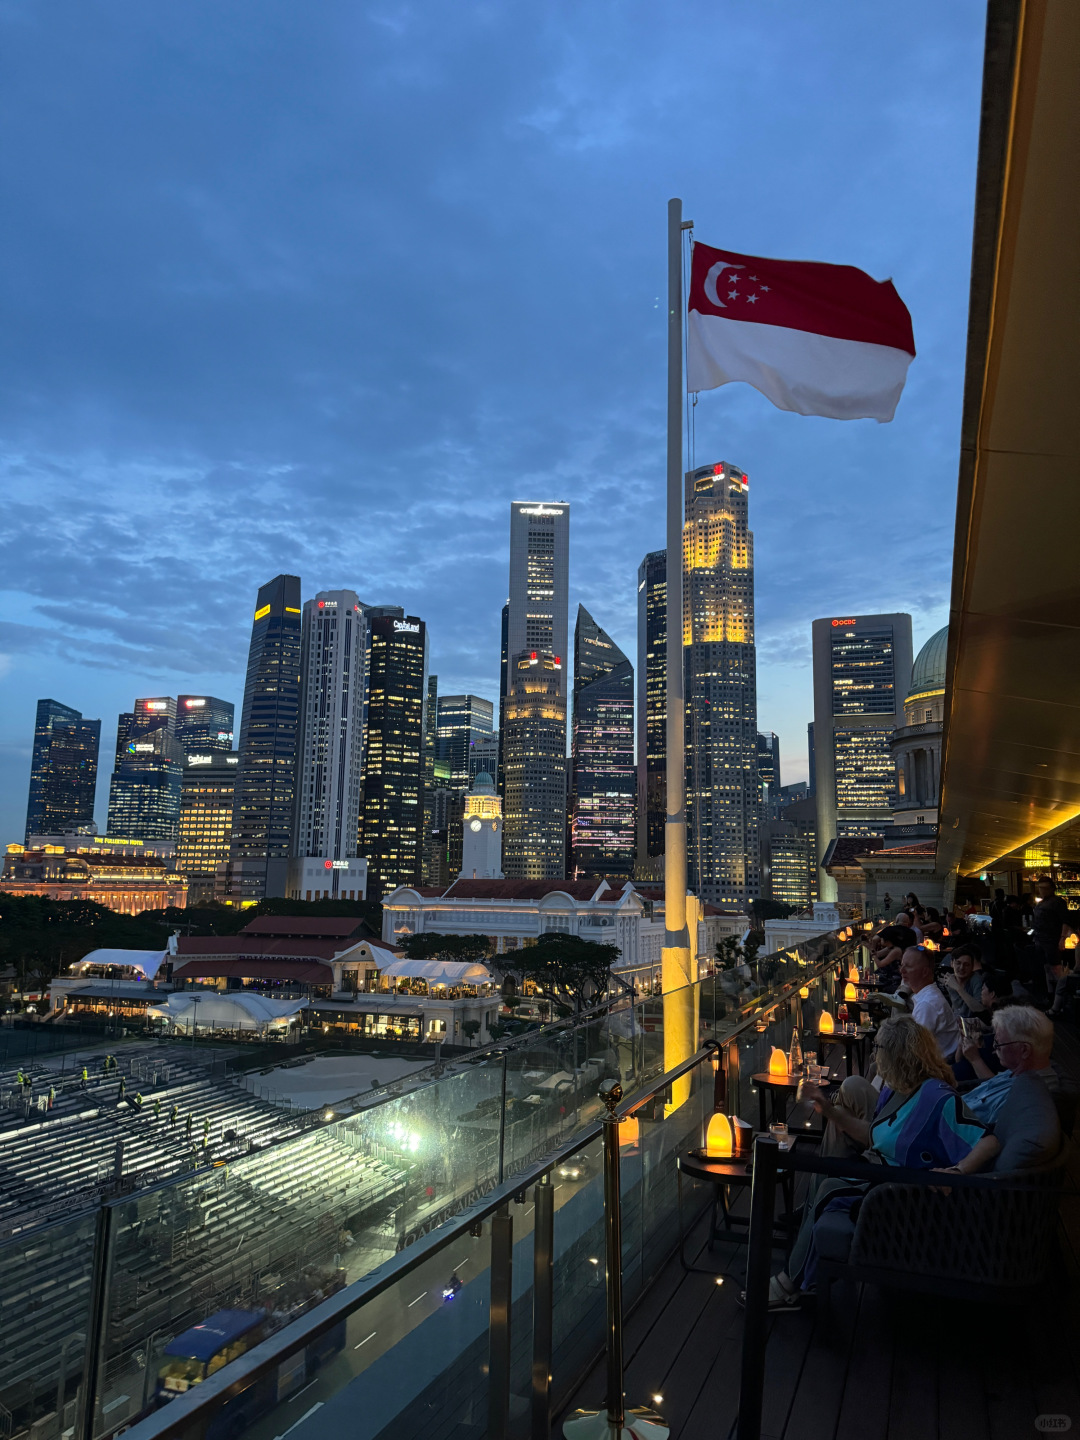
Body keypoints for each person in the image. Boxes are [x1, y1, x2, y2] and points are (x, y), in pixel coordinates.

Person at [759, 1016, 998, 1309]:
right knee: (821, 1179)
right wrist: (829, 1110)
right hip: (877, 1172)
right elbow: (872, 1135)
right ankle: (806, 1273)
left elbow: (988, 1141)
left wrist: (956, 1171)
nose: (874, 1054)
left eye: (879, 1047)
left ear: (898, 1054)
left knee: (831, 1186)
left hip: (898, 1192)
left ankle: (788, 1285)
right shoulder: (898, 1090)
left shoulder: (939, 1098)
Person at [959, 1004, 1059, 1121]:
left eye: (999, 1043)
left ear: (1024, 1050)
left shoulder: (1027, 1097)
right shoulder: (1020, 1071)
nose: (994, 1047)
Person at [900, 946, 960, 1061]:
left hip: (935, 1070)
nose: (902, 970)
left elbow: (915, 1051)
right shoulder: (926, 996)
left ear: (925, 972)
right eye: (902, 965)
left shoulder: (927, 1004)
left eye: (908, 966)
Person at [868, 925, 915, 993]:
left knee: (875, 978)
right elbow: (878, 954)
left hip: (894, 978)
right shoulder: (891, 947)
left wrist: (873, 954)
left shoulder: (897, 950)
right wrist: (870, 947)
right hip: (890, 975)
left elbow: (880, 964)